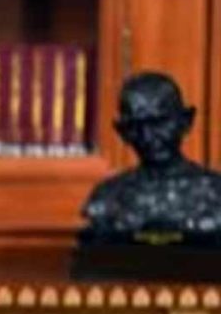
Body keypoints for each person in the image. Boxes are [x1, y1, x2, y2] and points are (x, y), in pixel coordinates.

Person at [82, 71, 221, 241]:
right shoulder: (107, 198)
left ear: (185, 121)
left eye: (159, 123)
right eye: (136, 126)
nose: (147, 137)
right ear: (122, 132)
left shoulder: (216, 193)